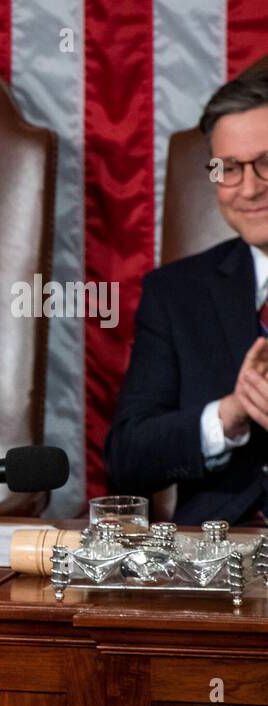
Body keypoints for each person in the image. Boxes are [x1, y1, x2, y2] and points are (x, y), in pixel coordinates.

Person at [107, 71, 268, 525]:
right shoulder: (177, 292)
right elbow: (127, 459)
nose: (250, 188)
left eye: (267, 162)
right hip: (219, 555)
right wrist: (228, 417)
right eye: (229, 168)